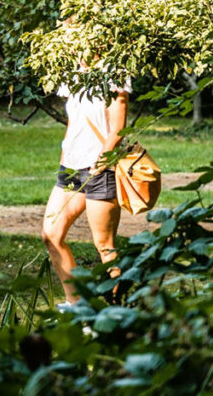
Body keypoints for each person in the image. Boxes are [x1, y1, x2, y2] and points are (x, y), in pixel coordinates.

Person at [41, 64, 129, 308]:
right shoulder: (72, 73)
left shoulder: (115, 72)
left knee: (104, 245)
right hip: (71, 167)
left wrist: (100, 164)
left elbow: (118, 128)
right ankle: (75, 304)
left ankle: (116, 311)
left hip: (100, 168)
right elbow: (73, 120)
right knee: (51, 234)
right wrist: (64, 156)